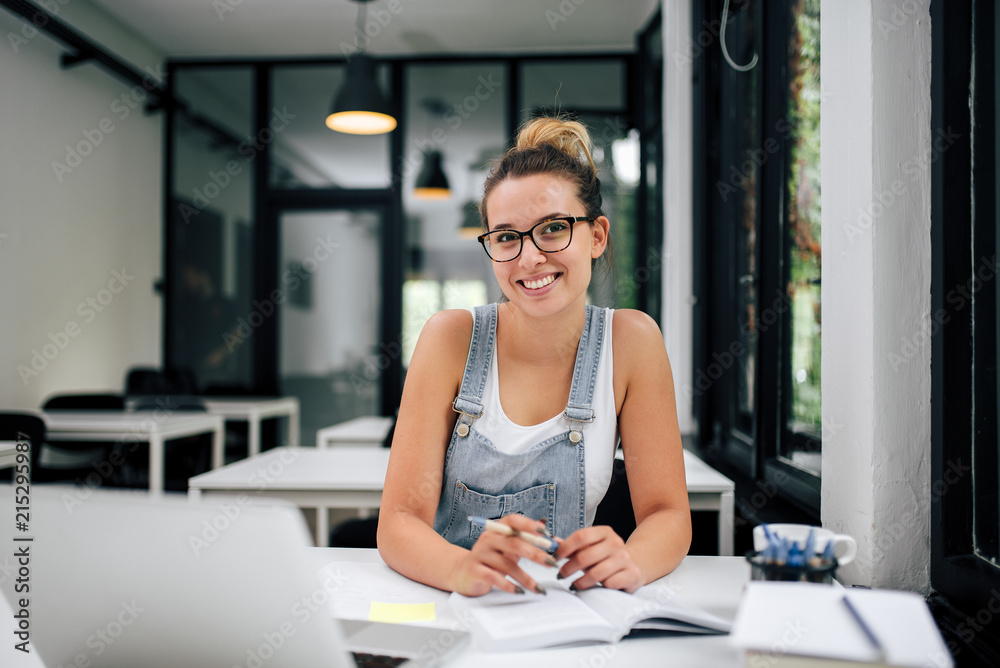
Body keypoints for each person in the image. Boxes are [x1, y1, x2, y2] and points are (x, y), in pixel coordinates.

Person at [378, 116, 691, 597]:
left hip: (566, 613)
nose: (529, 259)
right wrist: (462, 571)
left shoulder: (632, 342)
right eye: (506, 236)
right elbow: (398, 524)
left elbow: (667, 515)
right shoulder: (450, 339)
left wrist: (631, 560)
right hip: (448, 602)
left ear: (597, 236)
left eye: (552, 229)